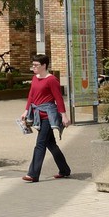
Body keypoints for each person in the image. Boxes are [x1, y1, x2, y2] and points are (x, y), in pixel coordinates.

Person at [21, 54, 70, 182]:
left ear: (44, 65)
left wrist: (64, 116)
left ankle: (33, 174)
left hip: (48, 116)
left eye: (36, 65)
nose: (34, 67)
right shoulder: (35, 78)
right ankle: (65, 170)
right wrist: (26, 111)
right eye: (33, 65)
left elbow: (59, 99)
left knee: (40, 144)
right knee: (51, 144)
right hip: (37, 115)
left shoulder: (51, 80)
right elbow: (31, 96)